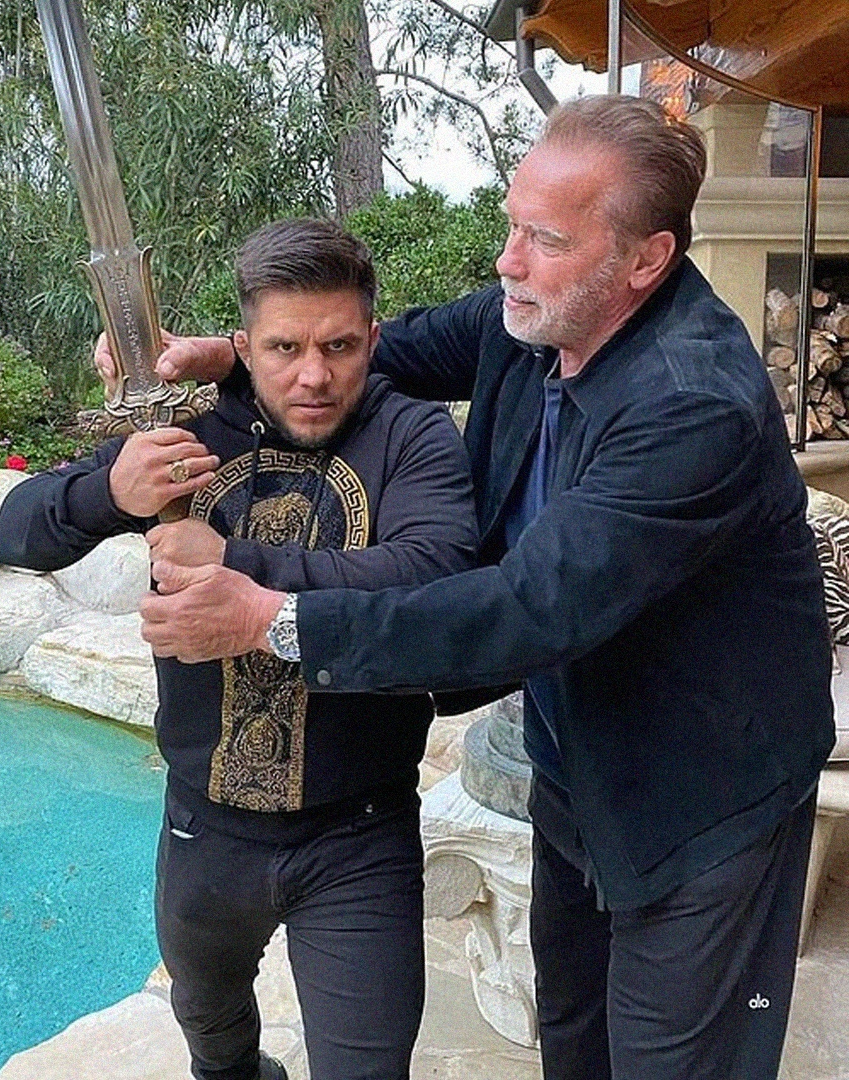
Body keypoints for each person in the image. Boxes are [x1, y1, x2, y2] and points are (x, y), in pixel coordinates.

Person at [138, 96, 836, 1080]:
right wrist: (234, 355)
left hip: (705, 792)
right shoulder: (541, 313)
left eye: (545, 239)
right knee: (576, 1035)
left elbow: (529, 607)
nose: (508, 260)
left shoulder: (692, 405)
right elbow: (393, 347)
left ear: (646, 259)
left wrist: (271, 617)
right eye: (514, 225)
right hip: (579, 759)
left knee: (680, 1058)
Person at [0, 218, 479, 1080]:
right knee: (215, 1046)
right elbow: (14, 534)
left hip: (358, 832)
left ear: (373, 339)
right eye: (285, 347)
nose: (314, 375)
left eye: (339, 346)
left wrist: (238, 565)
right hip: (204, 826)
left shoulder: (411, 436)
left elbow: (434, 578)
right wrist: (111, 492)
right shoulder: (193, 430)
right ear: (244, 348)